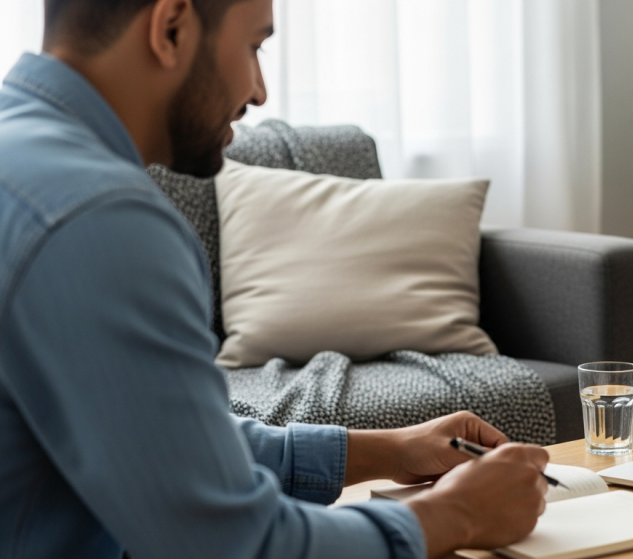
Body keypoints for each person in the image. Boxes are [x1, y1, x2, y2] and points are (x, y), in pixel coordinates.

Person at [0, 1, 549, 558]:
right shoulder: (103, 222)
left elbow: (157, 441)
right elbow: (231, 543)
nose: (259, 91)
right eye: (254, 46)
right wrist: (456, 513)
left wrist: (391, 450)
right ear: (171, 28)